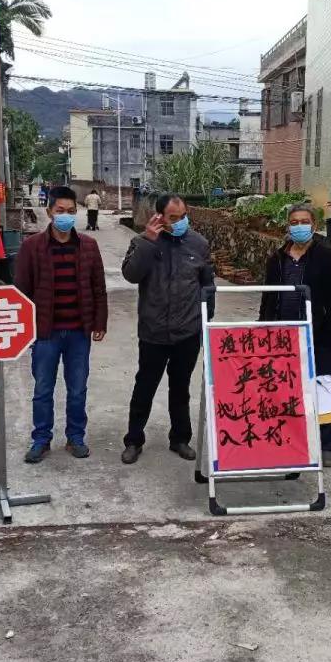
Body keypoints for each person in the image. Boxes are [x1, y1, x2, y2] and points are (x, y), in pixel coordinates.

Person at [14, 186, 108, 463]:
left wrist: (99, 322)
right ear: (49, 212)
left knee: (77, 389)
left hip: (79, 332)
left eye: (70, 211)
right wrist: (25, 330)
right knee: (43, 389)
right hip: (46, 333)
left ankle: (75, 437)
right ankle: (41, 439)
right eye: (60, 211)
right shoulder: (32, 247)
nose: (65, 216)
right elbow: (21, 291)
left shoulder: (88, 246)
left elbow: (99, 288)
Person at [120, 193, 215, 464]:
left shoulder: (199, 244)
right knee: (145, 386)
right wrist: (148, 242)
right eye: (174, 217)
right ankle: (134, 440)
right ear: (159, 216)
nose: (180, 221)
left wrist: (207, 322)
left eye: (183, 216)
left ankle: (180, 439)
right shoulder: (142, 241)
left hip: (187, 331)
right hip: (154, 331)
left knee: (180, 388)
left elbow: (207, 286)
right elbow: (131, 275)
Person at [259, 204, 331, 467]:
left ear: (314, 225)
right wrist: (264, 327)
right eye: (294, 222)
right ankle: (290, 438)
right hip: (281, 335)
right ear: (288, 227)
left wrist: (328, 336)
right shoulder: (277, 259)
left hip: (315, 337)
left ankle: (328, 443)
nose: (299, 226)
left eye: (304, 221)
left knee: (324, 390)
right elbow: (268, 298)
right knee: (282, 390)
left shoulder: (330, 259)